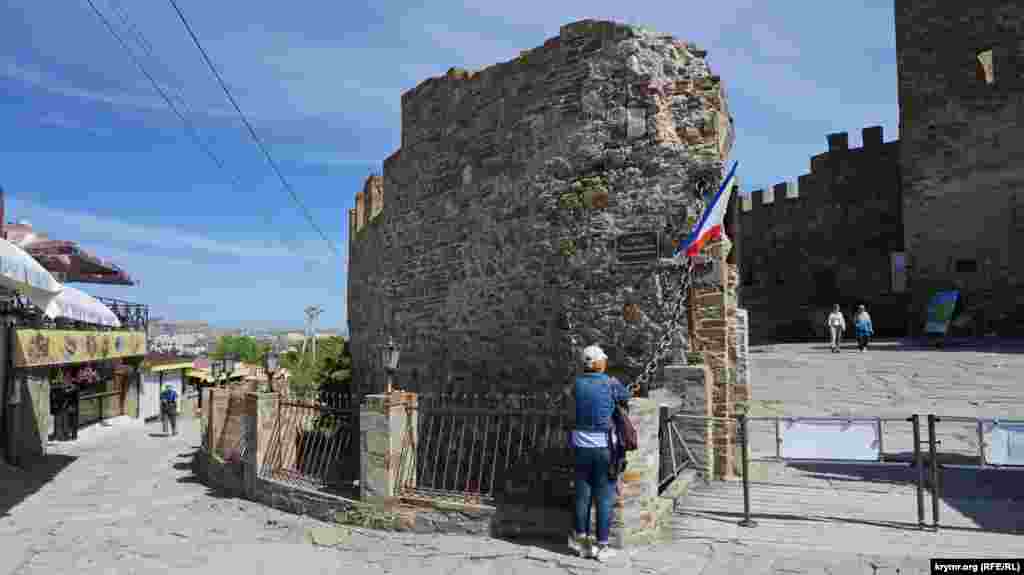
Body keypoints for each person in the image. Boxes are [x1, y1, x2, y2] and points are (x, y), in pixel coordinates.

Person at [568, 345, 630, 563]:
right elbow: (626, 396)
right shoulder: (610, 383)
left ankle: (582, 544)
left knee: (582, 496)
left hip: (579, 447)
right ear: (598, 363)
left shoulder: (576, 384)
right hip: (604, 448)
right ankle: (602, 545)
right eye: (603, 360)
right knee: (604, 496)